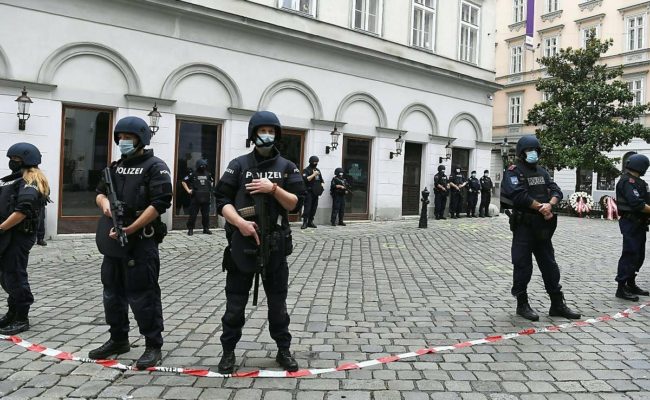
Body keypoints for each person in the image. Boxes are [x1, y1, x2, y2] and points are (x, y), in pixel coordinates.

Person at [214, 111, 305, 374]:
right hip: (242, 245)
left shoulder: (287, 167)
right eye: (262, 131)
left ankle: (283, 350)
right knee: (234, 307)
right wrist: (240, 223)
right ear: (253, 134)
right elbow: (222, 200)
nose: (267, 135)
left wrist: (273, 189)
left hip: (275, 247)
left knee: (278, 306)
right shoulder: (238, 164)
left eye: (271, 131)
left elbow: (296, 203)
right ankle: (228, 351)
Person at [91, 116, 172, 369]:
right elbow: (100, 193)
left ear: (141, 139)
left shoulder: (155, 166)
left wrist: (132, 227)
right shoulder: (115, 167)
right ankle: (118, 339)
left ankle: (152, 344)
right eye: (121, 137)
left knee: (143, 294)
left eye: (129, 137)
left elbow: (160, 203)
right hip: (114, 242)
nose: (124, 141)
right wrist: (106, 206)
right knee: (111, 293)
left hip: (141, 241)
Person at [501, 135, 580, 321]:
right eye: (529, 151)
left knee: (550, 266)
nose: (533, 154)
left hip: (543, 226)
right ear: (521, 153)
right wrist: (540, 207)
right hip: (524, 227)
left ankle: (557, 304)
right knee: (522, 265)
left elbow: (556, 191)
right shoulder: (513, 172)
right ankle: (522, 303)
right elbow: (518, 195)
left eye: (536, 150)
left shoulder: (543, 172)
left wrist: (550, 205)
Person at [0, 143, 49, 335]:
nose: (12, 163)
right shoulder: (14, 179)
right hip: (8, 235)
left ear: (26, 160)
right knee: (6, 275)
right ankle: (12, 312)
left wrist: (1, 227)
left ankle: (21, 317)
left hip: (17, 235)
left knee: (15, 274)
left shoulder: (31, 182)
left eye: (15, 160)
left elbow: (22, 210)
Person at [614, 153, 650, 301]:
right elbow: (636, 203)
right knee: (630, 253)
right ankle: (621, 287)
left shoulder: (639, 182)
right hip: (631, 222)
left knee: (638, 255)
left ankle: (631, 282)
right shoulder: (627, 181)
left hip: (640, 223)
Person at [182, 159, 214, 235]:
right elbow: (183, 181)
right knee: (193, 215)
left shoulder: (208, 174)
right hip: (195, 197)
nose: (203, 167)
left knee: (206, 215)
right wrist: (188, 190)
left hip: (206, 197)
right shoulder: (193, 174)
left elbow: (212, 182)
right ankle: (190, 229)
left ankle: (206, 229)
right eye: (201, 165)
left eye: (204, 165)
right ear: (198, 165)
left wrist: (209, 189)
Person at [301, 156, 324, 229]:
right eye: (314, 162)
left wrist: (321, 188)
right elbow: (306, 179)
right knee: (307, 208)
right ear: (311, 162)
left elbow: (321, 180)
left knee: (314, 208)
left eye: (317, 162)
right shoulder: (306, 170)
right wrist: (314, 174)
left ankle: (310, 222)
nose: (316, 163)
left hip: (316, 193)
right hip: (309, 192)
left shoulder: (317, 170)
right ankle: (305, 222)